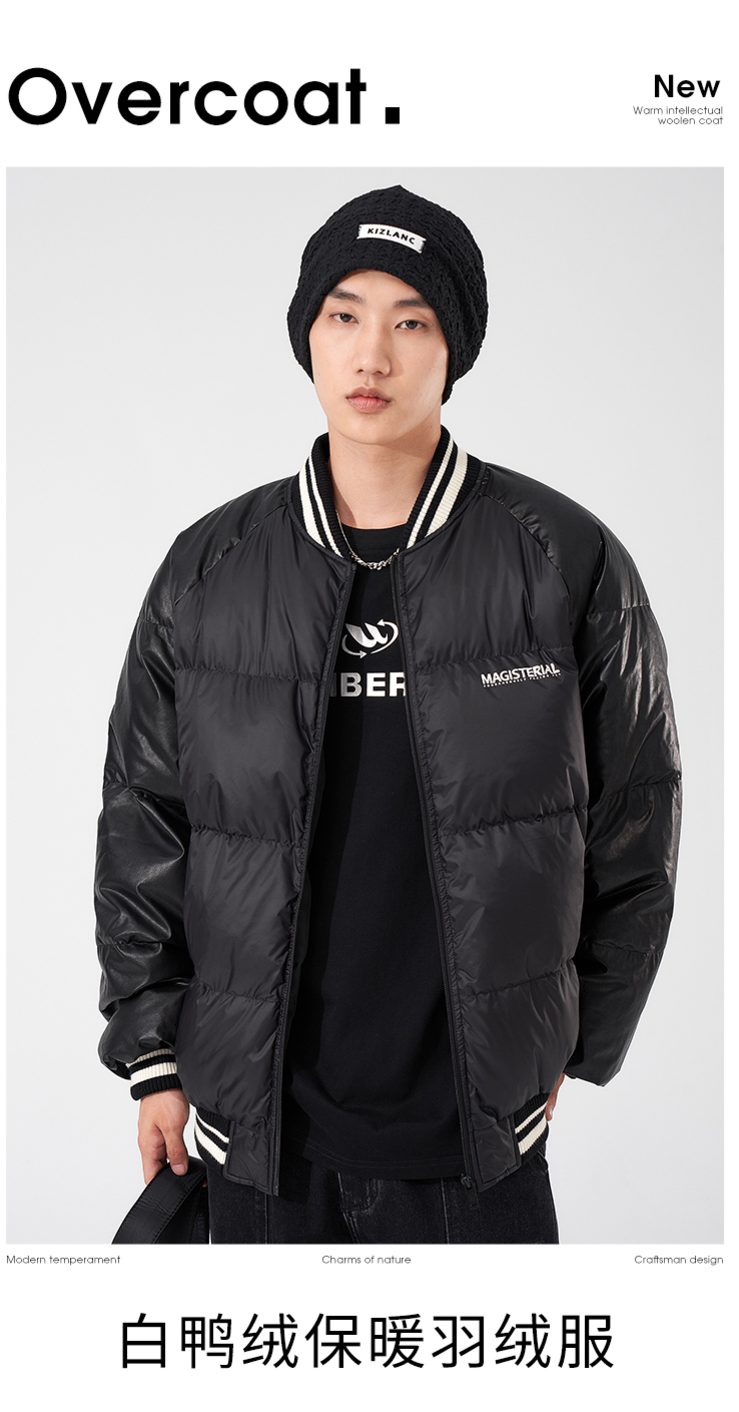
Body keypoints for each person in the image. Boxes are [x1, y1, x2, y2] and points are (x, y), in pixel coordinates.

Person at [95, 185, 682, 1244]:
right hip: (257, 1133)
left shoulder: (565, 558)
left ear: (454, 349)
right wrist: (154, 1059)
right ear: (308, 336)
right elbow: (144, 820)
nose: (372, 354)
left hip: (478, 1138)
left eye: (411, 321)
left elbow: (639, 817)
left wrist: (570, 1041)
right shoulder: (210, 569)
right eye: (344, 315)